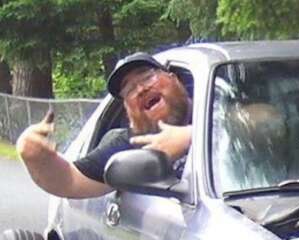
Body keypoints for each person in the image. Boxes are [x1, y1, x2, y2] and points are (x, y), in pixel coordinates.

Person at [15, 53, 192, 199]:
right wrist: (36, 159)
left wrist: (190, 136)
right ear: (129, 113)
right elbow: (71, 181)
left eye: (147, 76)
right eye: (129, 90)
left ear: (174, 79)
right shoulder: (132, 145)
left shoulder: (216, 106)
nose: (140, 89)